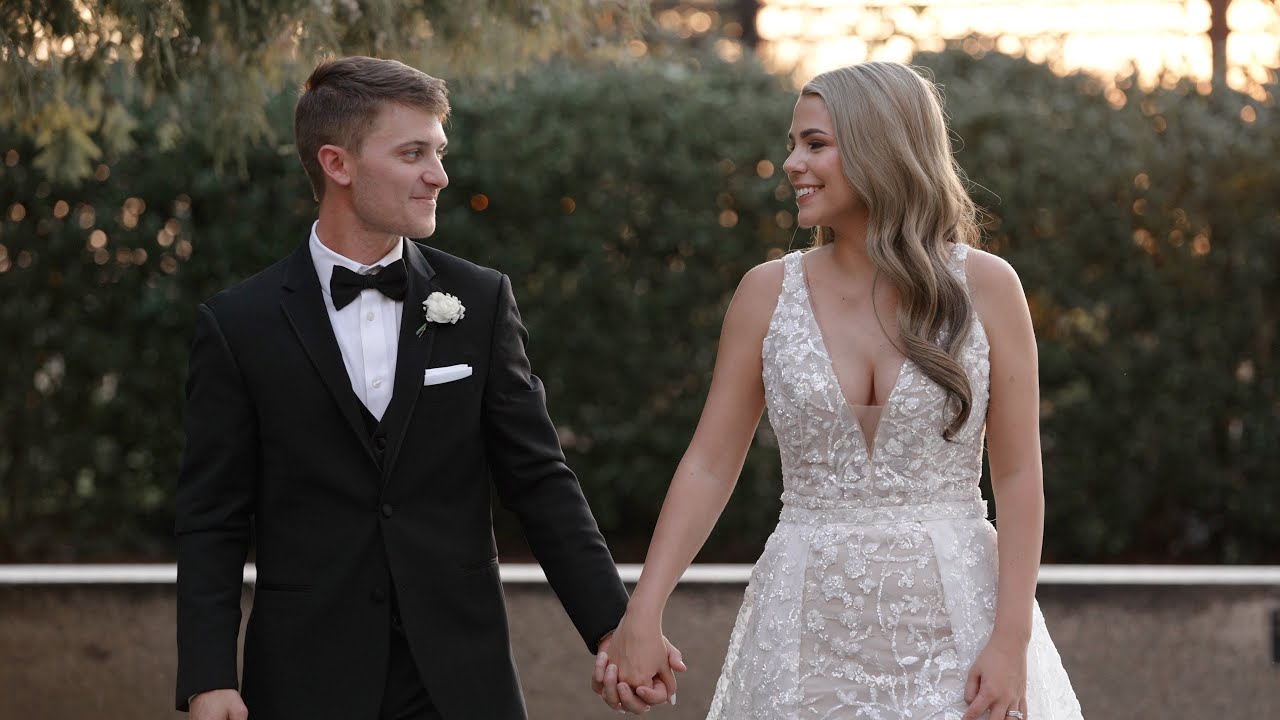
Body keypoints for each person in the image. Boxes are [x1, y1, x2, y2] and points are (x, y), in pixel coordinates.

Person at [174, 56, 681, 720]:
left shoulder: (480, 300)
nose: (439, 175)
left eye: (438, 152)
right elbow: (212, 517)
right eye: (413, 153)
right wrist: (210, 676)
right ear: (338, 163)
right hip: (304, 679)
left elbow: (539, 480)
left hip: (460, 680)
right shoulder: (239, 324)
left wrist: (615, 628)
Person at [594, 62, 1084, 719]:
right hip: (805, 626)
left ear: (883, 147)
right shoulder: (766, 294)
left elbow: (1020, 474)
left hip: (961, 627)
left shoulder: (989, 288)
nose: (792, 163)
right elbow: (709, 464)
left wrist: (1011, 639)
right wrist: (643, 611)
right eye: (792, 144)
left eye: (815, 144)